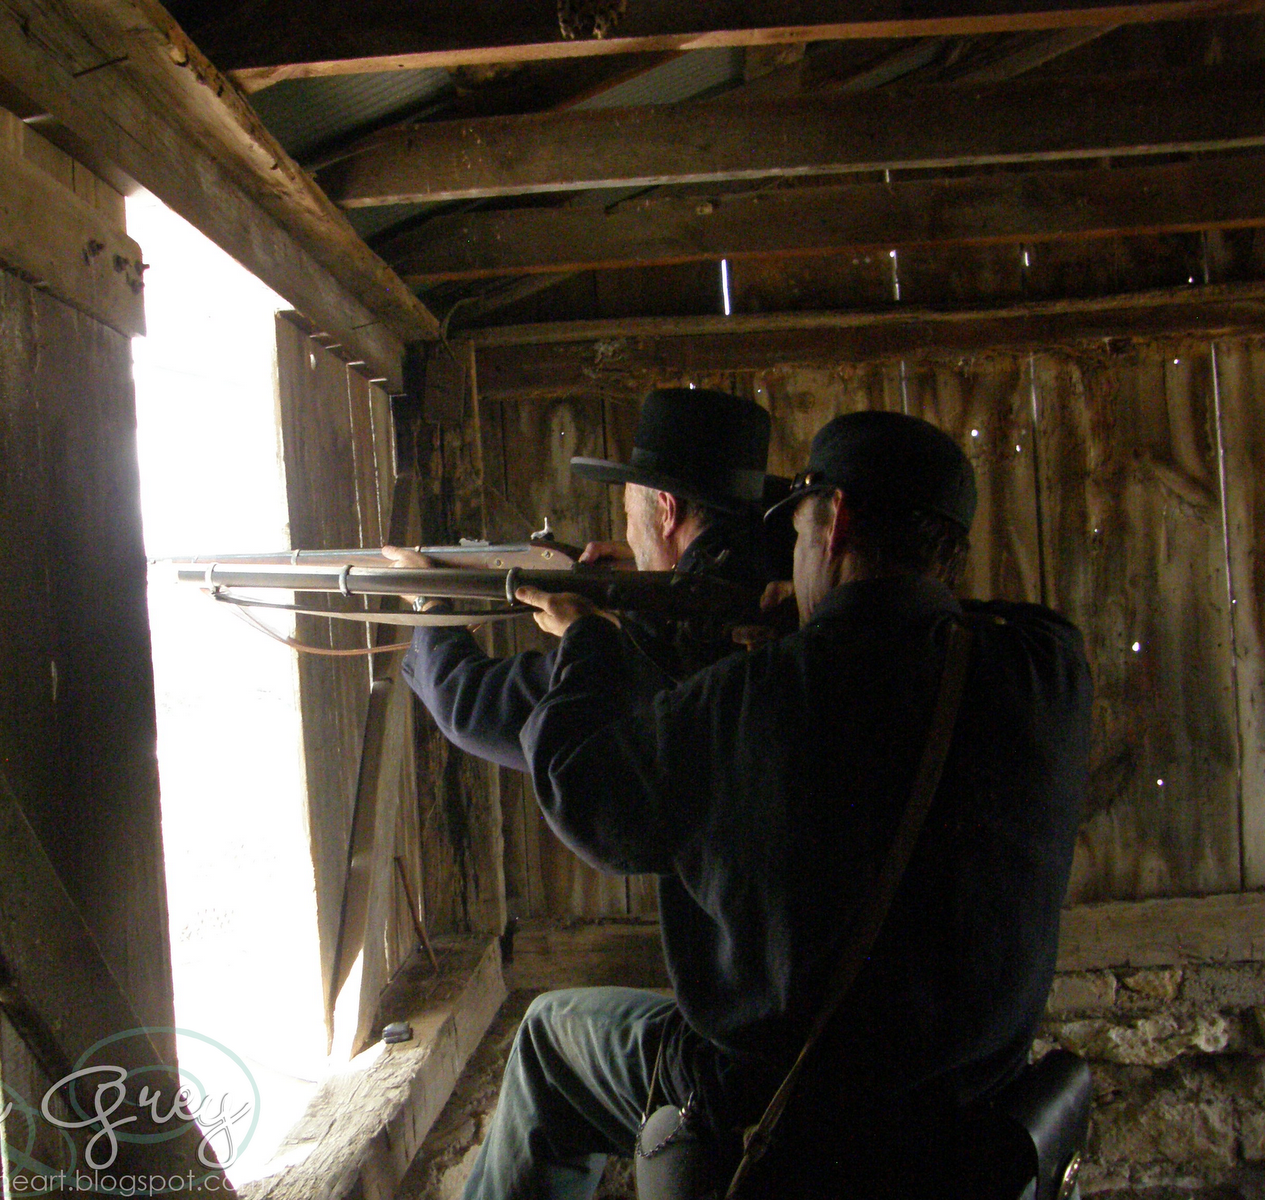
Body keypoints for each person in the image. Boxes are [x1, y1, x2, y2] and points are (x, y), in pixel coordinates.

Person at [466, 411, 1091, 1198]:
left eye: (799, 531)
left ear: (834, 525)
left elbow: (586, 794)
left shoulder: (754, 702)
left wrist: (586, 639)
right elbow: (941, 632)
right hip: (963, 1119)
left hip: (786, 1111)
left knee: (549, 1046)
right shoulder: (1047, 670)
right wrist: (823, 616)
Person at [388, 387, 790, 773]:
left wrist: (429, 604)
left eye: (630, 515)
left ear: (667, 513)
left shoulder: (667, 630)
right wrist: (661, 558)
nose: (627, 533)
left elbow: (473, 712)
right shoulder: (779, 564)